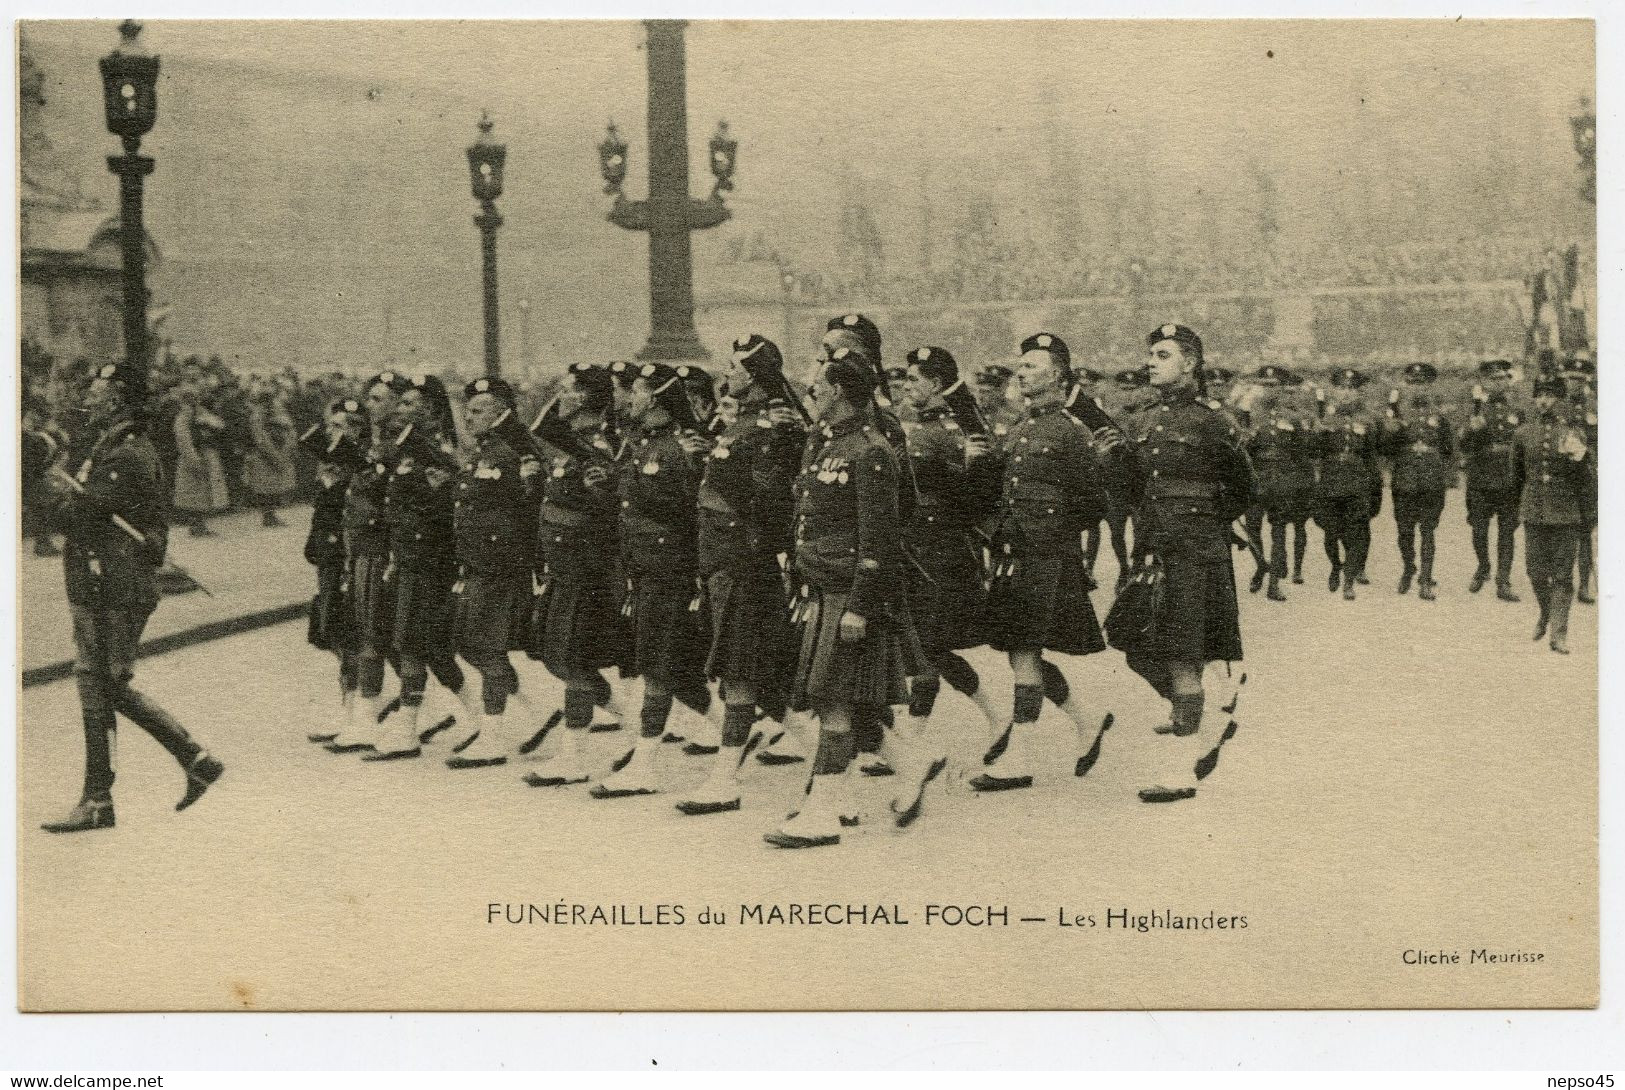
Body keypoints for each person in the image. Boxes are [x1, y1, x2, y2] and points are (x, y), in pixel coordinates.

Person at [40, 361, 224, 833]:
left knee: (101, 684)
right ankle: (186, 762)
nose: (90, 398)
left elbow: (81, 514)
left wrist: (53, 494)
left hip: (111, 583)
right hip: (100, 580)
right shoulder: (109, 448)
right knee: (101, 686)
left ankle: (105, 796)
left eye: (100, 392)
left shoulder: (126, 453)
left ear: (120, 400)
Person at [767, 346, 919, 848]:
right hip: (824, 589)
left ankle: (823, 812)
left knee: (835, 703)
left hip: (850, 596)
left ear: (838, 391)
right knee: (842, 703)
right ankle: (913, 767)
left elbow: (880, 542)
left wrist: (858, 606)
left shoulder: (870, 451)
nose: (810, 390)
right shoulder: (826, 443)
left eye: (817, 384)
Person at [1112, 324, 1254, 804]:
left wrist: (1204, 525)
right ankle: (1208, 711)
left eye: (1163, 354)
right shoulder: (1144, 419)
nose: (1151, 362)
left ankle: (1182, 769)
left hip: (1194, 550)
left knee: (1181, 655)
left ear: (1189, 363)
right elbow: (1132, 487)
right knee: (1132, 642)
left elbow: (1243, 488)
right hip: (1152, 546)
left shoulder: (1213, 420)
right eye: (1150, 353)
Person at [974, 333, 1122, 793]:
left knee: (1023, 651)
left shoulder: (1071, 432)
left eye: (1033, 366)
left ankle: (1019, 754)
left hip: (1045, 555)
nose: (1021, 372)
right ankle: (1087, 718)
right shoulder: (1020, 428)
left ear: (1058, 375)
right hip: (1014, 554)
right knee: (1022, 651)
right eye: (1020, 365)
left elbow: (1094, 503)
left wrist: (1048, 534)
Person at [676, 335, 810, 815]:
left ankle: (725, 778)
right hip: (723, 564)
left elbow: (771, 499)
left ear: (754, 378)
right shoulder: (740, 428)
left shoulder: (766, 431)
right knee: (769, 684)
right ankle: (883, 762)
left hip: (745, 566)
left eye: (735, 368)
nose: (727, 375)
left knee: (740, 676)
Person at [890, 345, 999, 819]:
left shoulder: (956, 430)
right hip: (914, 548)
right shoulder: (912, 425)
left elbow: (973, 499)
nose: (909, 386)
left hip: (941, 553)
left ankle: (913, 742)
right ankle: (995, 716)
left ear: (936, 383)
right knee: (928, 647)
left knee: (928, 647)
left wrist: (972, 467)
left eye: (916, 379)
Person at [591, 363, 709, 798]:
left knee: (658, 671)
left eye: (639, 392)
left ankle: (644, 764)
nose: (630, 399)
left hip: (669, 573)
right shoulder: (644, 445)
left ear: (656, 398)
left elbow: (687, 513)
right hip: (647, 571)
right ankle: (736, 730)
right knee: (667, 670)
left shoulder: (677, 449)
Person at [523, 363, 635, 787]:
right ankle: (634, 721)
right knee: (556, 658)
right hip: (565, 567)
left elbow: (612, 510)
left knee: (573, 661)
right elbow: (543, 422)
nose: (560, 394)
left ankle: (575, 756)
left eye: (569, 389)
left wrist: (600, 490)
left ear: (588, 398)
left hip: (587, 571)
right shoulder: (571, 443)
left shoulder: (599, 446)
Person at [441, 376, 540, 767]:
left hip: (500, 567)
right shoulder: (482, 452)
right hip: (478, 565)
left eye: (479, 410)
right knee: (470, 644)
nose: (469, 416)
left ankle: (494, 736)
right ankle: (532, 715)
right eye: (468, 410)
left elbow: (525, 506)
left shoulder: (512, 453)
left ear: (503, 414)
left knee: (487, 648)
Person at [301, 397, 369, 745]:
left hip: (346, 558)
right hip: (327, 558)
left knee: (352, 637)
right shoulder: (330, 467)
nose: (332, 434)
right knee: (334, 635)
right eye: (331, 426)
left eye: (340, 427)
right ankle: (351, 709)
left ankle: (359, 714)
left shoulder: (359, 469)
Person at [1518, 373, 1591, 654]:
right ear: (1535, 399)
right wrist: (1517, 512)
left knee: (1562, 575)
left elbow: (1586, 478)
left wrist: (1580, 457)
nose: (1545, 401)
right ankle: (1546, 612)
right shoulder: (1523, 433)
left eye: (1550, 396)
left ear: (1559, 400)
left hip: (1566, 513)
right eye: (1540, 396)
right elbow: (1518, 476)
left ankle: (1558, 634)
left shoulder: (1572, 433)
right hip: (1535, 512)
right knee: (1535, 572)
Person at [1241, 368, 1316, 602]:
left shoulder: (1293, 417)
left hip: (1283, 479)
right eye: (1266, 386)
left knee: (1279, 531)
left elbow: (1304, 450)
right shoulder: (1248, 413)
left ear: (1281, 388)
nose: (1269, 391)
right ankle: (1261, 566)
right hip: (1257, 477)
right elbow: (1240, 449)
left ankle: (1273, 584)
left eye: (1274, 386)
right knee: (1252, 529)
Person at [1382, 363, 1454, 600]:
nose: (1417, 388)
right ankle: (1408, 567)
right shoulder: (1396, 415)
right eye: (1413, 383)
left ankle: (1425, 578)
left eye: (1422, 383)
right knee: (1404, 531)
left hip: (1431, 479)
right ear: (1406, 386)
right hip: (1405, 479)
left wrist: (1442, 470)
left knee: (1428, 531)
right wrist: (1390, 433)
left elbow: (1447, 448)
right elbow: (1386, 451)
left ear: (1430, 386)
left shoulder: (1440, 418)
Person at [1460, 359, 1524, 601]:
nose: (1499, 383)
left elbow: (1525, 444)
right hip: (1481, 477)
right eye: (1493, 379)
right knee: (1478, 529)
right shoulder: (1475, 408)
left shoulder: (1518, 409)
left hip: (1508, 477)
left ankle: (1503, 580)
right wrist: (1471, 430)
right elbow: (1463, 446)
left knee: (1507, 531)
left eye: (1503, 378)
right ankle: (1483, 566)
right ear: (1484, 382)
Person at [1312, 369, 1377, 601]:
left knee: (1356, 533)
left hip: (1356, 482)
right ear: (1335, 391)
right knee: (1330, 533)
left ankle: (1348, 581)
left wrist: (1371, 486)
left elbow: (1372, 454)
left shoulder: (1367, 420)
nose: (1347, 393)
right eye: (1342, 388)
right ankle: (1335, 565)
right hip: (1331, 481)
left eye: (1352, 389)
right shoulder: (1325, 419)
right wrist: (1317, 433)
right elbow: (1313, 451)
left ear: (1358, 393)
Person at [170, 379, 230, 538]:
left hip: (207, 454)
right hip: (193, 457)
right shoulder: (182, 417)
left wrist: (209, 423)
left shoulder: (201, 412)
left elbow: (220, 424)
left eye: (195, 397)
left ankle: (200, 524)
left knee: (203, 492)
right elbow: (184, 441)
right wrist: (194, 460)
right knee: (193, 493)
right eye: (189, 397)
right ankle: (196, 525)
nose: (193, 400)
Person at [242, 386, 299, 528]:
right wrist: (271, 452)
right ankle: (267, 515)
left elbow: (290, 428)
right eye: (265, 398)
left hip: (279, 451)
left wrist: (287, 447)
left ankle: (271, 514)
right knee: (265, 487)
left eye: (270, 397)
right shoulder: (257, 415)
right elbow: (258, 436)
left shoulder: (278, 411)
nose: (268, 401)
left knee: (275, 485)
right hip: (263, 454)